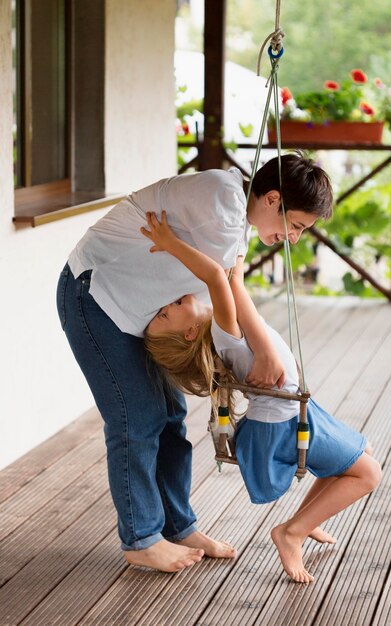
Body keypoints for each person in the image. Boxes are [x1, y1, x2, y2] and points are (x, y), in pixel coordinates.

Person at [56, 152, 333, 573]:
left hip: (138, 313)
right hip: (94, 296)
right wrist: (267, 350)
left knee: (170, 415)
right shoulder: (224, 205)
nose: (293, 238)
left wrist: (265, 349)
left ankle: (177, 526)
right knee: (137, 419)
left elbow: (229, 283)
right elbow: (225, 284)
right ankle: (141, 538)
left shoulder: (235, 215)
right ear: (273, 199)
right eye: (295, 225)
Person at [142, 210, 382, 584]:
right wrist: (171, 243)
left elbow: (231, 279)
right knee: (369, 474)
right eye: (166, 313)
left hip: (293, 412)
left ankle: (307, 520)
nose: (168, 304)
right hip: (281, 424)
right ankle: (292, 533)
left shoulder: (226, 324)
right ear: (190, 333)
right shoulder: (223, 327)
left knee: (359, 455)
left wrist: (241, 243)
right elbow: (215, 277)